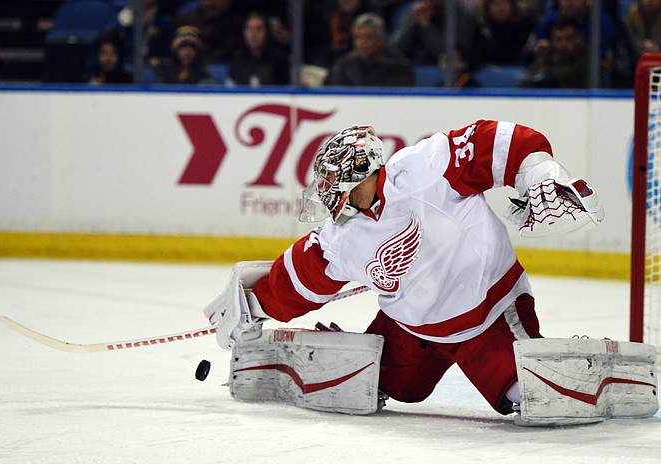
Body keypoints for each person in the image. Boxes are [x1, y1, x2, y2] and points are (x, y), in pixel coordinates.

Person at [206, 120, 606, 423]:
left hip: (489, 316)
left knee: (528, 394)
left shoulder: (424, 169)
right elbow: (301, 277)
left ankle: (590, 373)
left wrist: (536, 168)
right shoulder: (341, 234)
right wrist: (253, 306)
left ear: (363, 173)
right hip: (411, 328)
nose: (327, 194)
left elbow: (494, 142)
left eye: (334, 183)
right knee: (394, 387)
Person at [325, 12, 414, 86]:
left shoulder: (399, 66)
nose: (362, 43)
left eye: (368, 37)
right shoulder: (345, 65)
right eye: (358, 38)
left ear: (381, 39)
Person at [389, 0, 483, 67]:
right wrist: (412, 22)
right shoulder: (416, 12)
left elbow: (451, 56)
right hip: (412, 68)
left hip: (457, 76)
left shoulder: (464, 15)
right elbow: (395, 50)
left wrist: (426, 26)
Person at [519, 17, 590, 88]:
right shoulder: (547, 53)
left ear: (579, 39)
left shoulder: (588, 60)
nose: (562, 44)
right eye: (558, 40)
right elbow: (530, 78)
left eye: (568, 39)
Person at [227, 12, 290, 86]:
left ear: (267, 32)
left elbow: (284, 88)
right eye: (249, 29)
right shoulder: (237, 57)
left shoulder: (278, 58)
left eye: (259, 29)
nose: (253, 34)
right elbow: (232, 85)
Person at [176, 0, 245, 64]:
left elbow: (228, 49)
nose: (212, 2)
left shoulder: (235, 21)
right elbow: (184, 42)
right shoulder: (190, 17)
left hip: (220, 63)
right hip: (194, 61)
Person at [477, 0, 538, 66]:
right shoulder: (483, 28)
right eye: (495, 3)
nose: (500, 8)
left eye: (504, 3)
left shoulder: (524, 25)